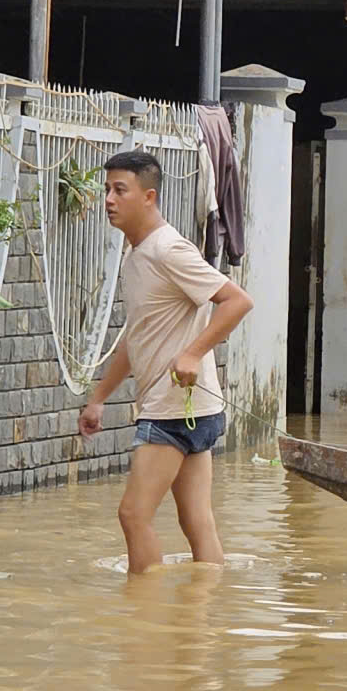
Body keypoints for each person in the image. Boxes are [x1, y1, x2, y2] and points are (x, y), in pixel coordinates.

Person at [78, 149, 255, 573]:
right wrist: (99, 397)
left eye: (121, 190)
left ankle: (146, 621)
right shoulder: (138, 255)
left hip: (173, 410)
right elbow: (136, 338)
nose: (109, 200)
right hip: (197, 409)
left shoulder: (167, 249)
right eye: (106, 190)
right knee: (196, 521)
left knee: (132, 515)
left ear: (149, 196)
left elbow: (236, 300)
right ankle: (198, 625)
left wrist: (194, 352)